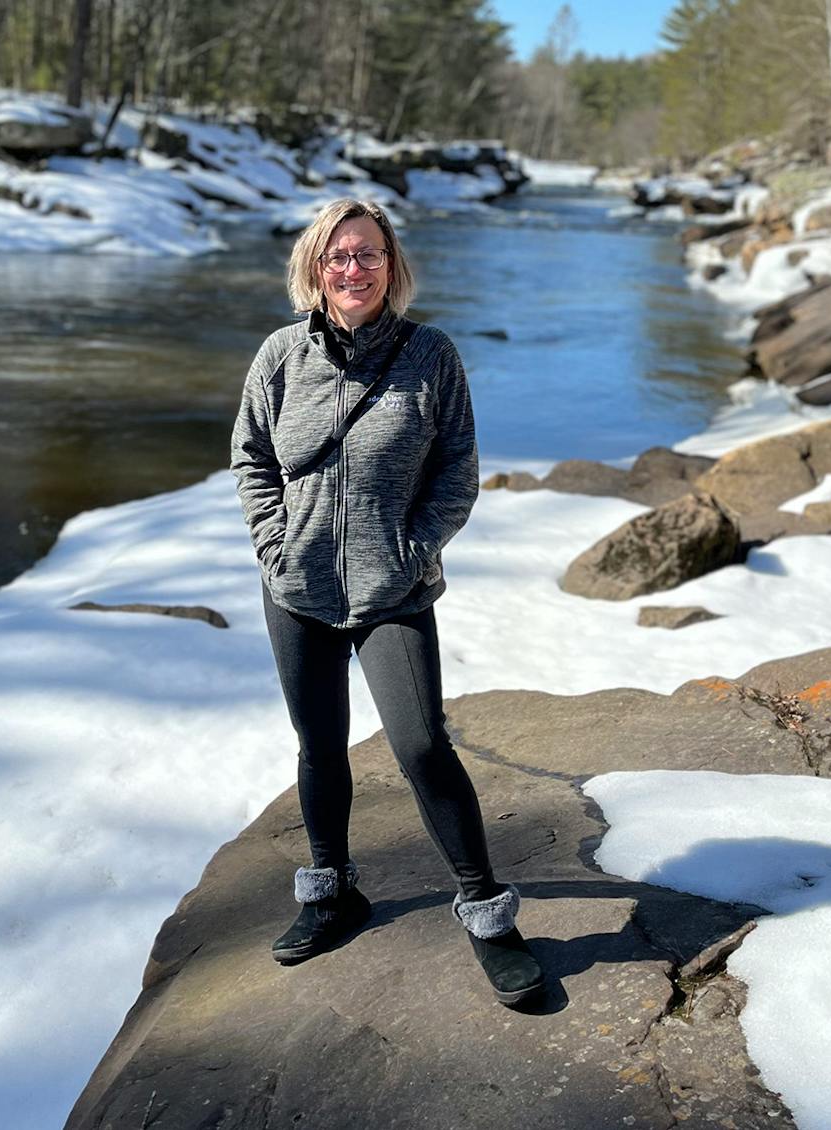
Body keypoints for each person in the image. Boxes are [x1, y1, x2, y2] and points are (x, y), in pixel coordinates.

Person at [229, 198, 544, 1006]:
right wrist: (274, 542)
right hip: (295, 587)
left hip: (390, 591)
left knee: (421, 746)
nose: (353, 270)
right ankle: (331, 892)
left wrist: (412, 551)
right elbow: (252, 456)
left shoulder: (430, 356)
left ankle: (485, 912)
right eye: (338, 256)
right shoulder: (279, 356)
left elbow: (457, 473)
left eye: (368, 255)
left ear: (392, 266)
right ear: (314, 267)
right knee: (319, 745)